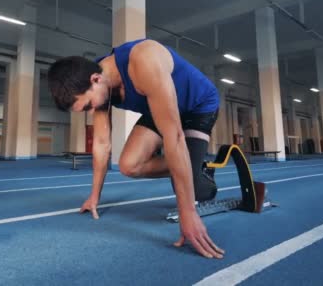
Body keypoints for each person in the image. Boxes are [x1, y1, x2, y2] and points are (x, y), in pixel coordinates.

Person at [47, 38, 224, 259]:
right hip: (159, 107)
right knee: (129, 165)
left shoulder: (144, 61)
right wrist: (94, 196)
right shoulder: (98, 82)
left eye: (88, 107)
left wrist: (187, 212)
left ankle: (199, 171)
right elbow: (102, 144)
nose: (92, 112)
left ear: (96, 79)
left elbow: (174, 136)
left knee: (195, 189)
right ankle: (192, 163)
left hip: (198, 106)